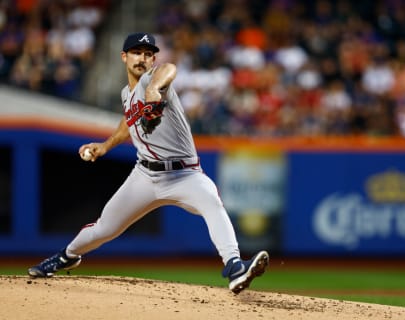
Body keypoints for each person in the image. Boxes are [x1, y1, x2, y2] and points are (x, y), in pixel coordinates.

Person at [28, 32, 269, 294]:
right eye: (136, 52)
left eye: (147, 54)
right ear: (124, 57)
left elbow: (169, 69)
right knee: (104, 228)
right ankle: (67, 256)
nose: (142, 58)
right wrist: (105, 145)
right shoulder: (126, 94)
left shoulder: (152, 80)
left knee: (212, 201)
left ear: (152, 59)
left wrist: (154, 89)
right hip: (144, 176)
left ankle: (234, 266)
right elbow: (128, 122)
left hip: (185, 174)